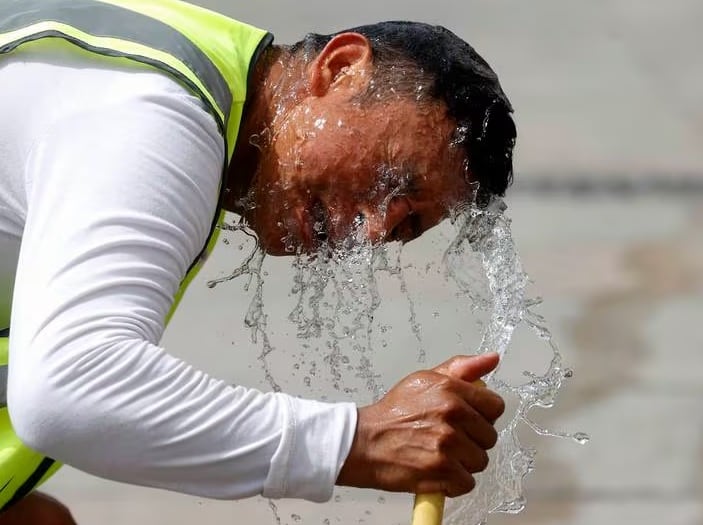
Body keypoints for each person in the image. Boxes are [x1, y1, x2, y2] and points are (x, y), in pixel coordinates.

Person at [0, 0, 516, 523]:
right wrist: (357, 441)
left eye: (406, 227)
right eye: (392, 178)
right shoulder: (159, 111)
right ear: (340, 69)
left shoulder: (180, 76)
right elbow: (68, 389)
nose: (375, 228)